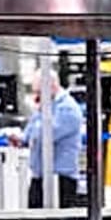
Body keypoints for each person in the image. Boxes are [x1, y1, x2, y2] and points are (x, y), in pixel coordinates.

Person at [10, 72, 84, 208]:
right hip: (40, 175)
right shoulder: (46, 107)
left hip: (61, 179)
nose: (36, 97)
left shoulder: (67, 109)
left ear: (52, 87)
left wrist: (34, 131)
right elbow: (30, 134)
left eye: (39, 92)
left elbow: (46, 135)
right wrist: (20, 139)